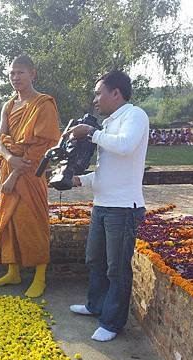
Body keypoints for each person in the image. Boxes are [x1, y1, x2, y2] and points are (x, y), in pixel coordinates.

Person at [66, 70, 149, 342]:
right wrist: (79, 180)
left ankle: (112, 322)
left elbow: (125, 147)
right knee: (95, 259)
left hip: (123, 208)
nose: (95, 99)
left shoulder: (135, 116)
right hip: (103, 205)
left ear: (116, 93)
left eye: (99, 93)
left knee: (117, 268)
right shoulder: (111, 123)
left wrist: (91, 132)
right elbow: (108, 170)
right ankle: (95, 305)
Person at [0, 55, 61, 298]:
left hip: (31, 172)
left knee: (34, 222)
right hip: (11, 166)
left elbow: (41, 147)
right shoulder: (8, 106)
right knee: (9, 222)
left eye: (20, 72)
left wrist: (13, 175)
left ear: (33, 73)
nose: (15, 78)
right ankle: (13, 271)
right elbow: (0, 139)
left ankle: (40, 276)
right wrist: (9, 159)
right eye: (11, 73)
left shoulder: (43, 104)